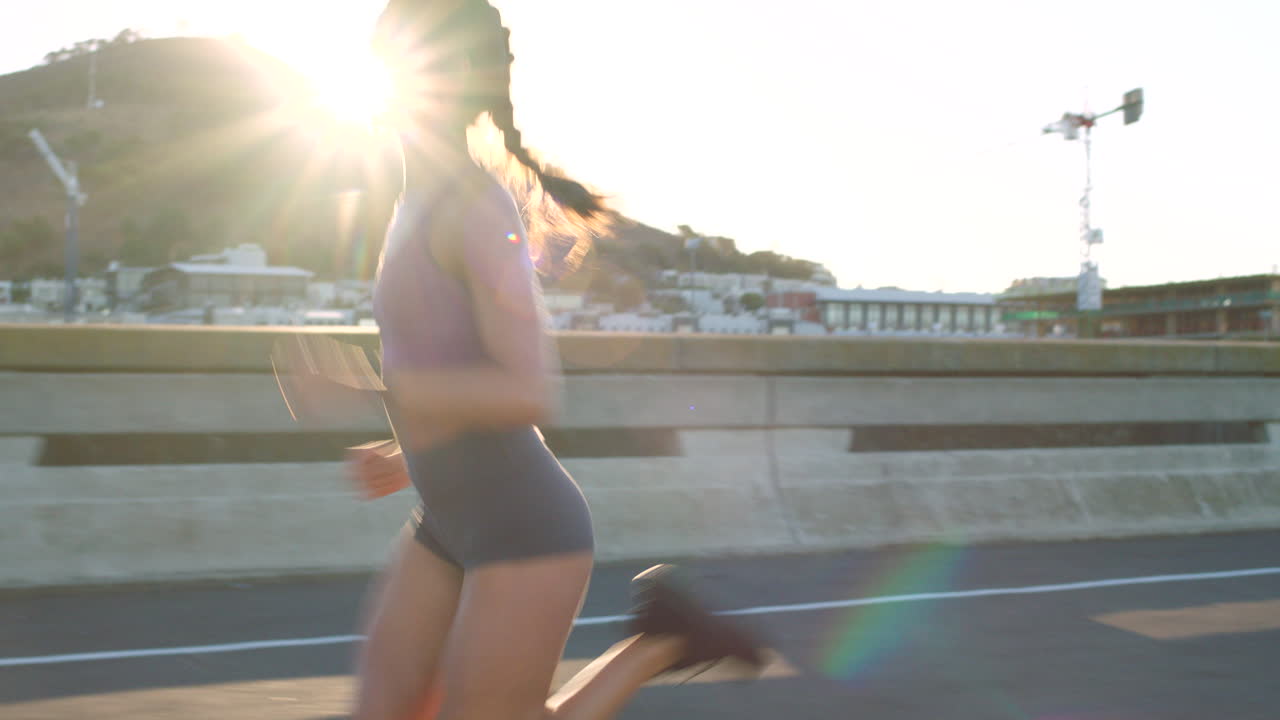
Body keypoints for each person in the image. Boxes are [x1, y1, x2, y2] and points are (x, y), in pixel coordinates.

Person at [328, 2, 765, 718]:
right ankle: (665, 633)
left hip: (522, 525)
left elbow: (529, 389)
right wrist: (403, 451)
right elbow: (453, 373)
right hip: (444, 517)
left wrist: (379, 387)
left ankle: (661, 642)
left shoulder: (473, 204)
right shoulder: (409, 203)